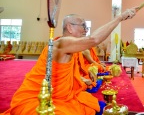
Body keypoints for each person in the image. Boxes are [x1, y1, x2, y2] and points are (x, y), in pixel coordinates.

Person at [1, 8, 136, 115]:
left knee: (88, 104)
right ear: (69, 27)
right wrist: (120, 17)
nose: (85, 29)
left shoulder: (73, 48)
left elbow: (65, 75)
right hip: (36, 99)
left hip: (61, 96)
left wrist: (82, 80)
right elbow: (93, 40)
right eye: (83, 25)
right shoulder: (61, 43)